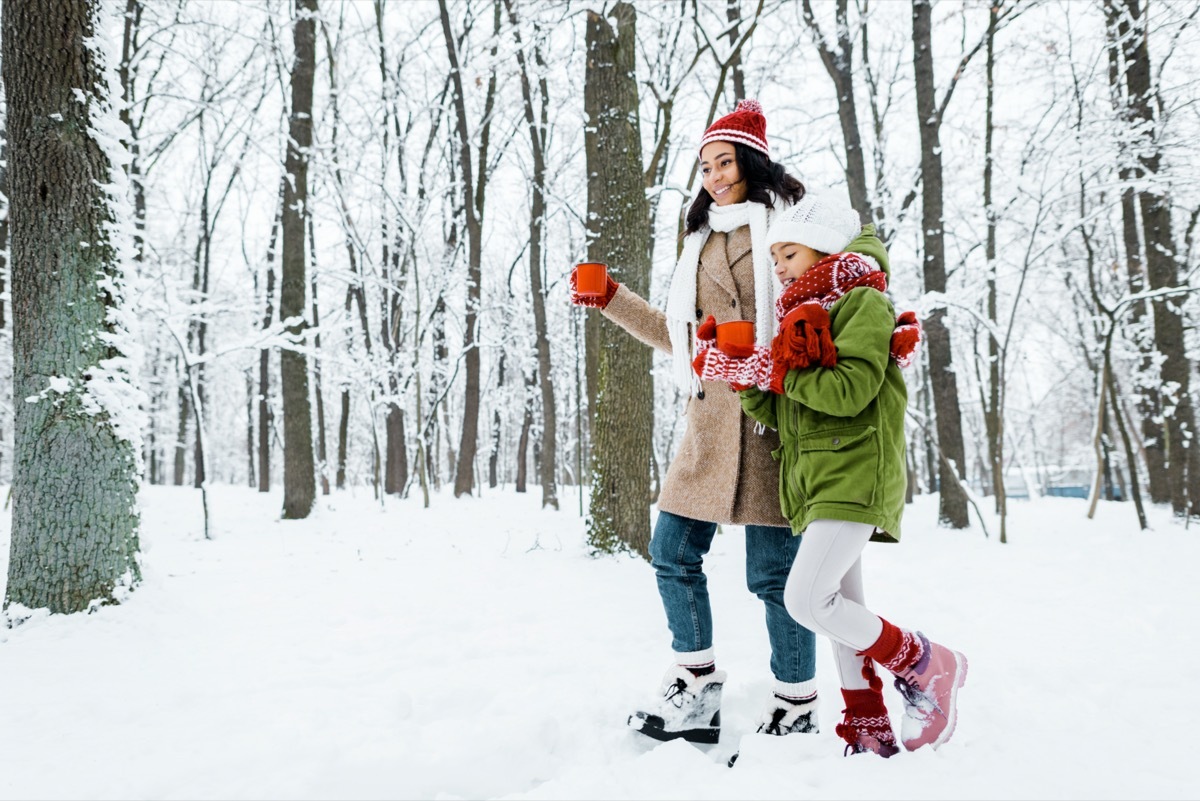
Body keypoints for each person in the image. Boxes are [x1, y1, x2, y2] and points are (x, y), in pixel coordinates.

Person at [569, 100, 890, 746]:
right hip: (711, 426)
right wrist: (611, 298)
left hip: (776, 418)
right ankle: (696, 683)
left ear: (749, 161)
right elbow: (680, 337)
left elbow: (835, 289)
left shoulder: (788, 228)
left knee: (773, 576)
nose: (714, 175)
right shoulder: (698, 241)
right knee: (670, 551)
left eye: (724, 161)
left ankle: (795, 702)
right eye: (705, 165)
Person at [694, 190, 966, 758]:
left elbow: (849, 392)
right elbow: (783, 411)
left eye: (787, 254)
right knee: (845, 614)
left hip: (852, 473)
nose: (779, 266)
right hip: (816, 482)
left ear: (822, 248)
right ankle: (869, 728)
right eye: (775, 258)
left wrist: (777, 372)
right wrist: (745, 377)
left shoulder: (862, 303)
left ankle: (925, 662)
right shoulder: (800, 318)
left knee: (807, 601)